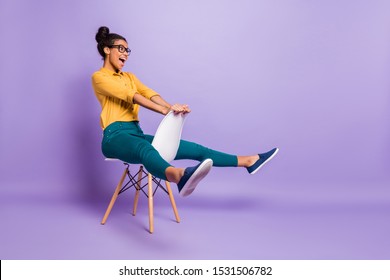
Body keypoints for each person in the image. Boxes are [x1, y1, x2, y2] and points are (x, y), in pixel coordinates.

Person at [91, 26, 279, 197]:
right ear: (107, 49)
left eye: (127, 50)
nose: (126, 54)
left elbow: (149, 93)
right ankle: (179, 176)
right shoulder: (99, 77)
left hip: (135, 134)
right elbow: (130, 95)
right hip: (113, 138)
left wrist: (170, 108)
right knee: (145, 149)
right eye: (121, 49)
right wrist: (164, 110)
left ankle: (248, 161)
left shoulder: (130, 77)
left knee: (195, 149)